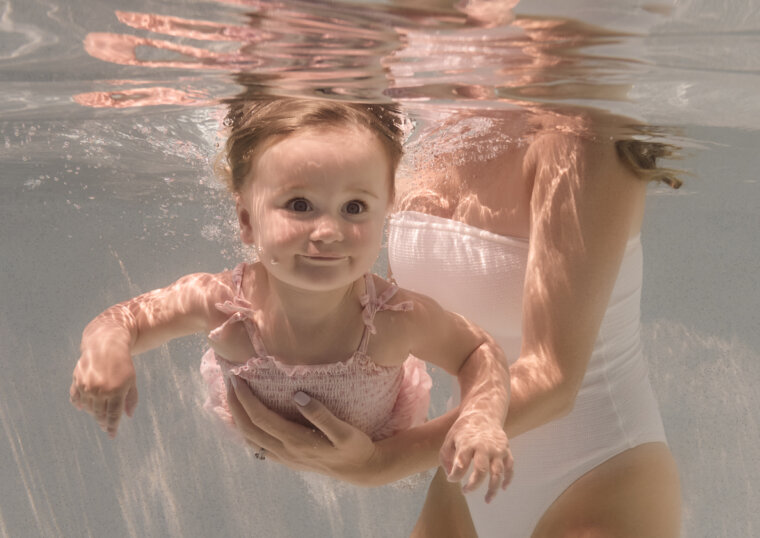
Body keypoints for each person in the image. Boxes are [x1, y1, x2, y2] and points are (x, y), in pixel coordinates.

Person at [225, 106, 682, 537]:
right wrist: (294, 403)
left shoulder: (577, 135)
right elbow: (381, 315)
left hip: (597, 472)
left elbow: (554, 377)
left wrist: (379, 463)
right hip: (464, 475)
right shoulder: (417, 130)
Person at [69, 96, 515, 502]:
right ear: (246, 220)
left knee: (412, 484)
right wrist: (106, 347)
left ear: (386, 215)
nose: (329, 231)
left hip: (378, 442)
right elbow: (123, 319)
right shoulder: (223, 304)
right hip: (260, 436)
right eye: (300, 205)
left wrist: (480, 416)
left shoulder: (393, 320)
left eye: (355, 207)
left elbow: (478, 350)